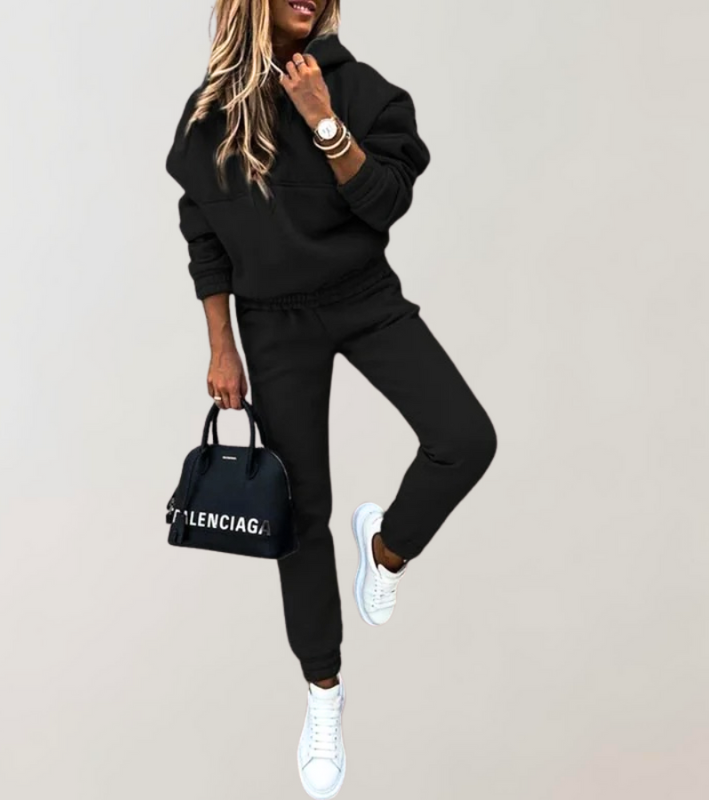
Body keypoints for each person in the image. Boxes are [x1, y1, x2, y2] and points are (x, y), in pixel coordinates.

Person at [166, 1, 497, 796]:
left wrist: (323, 120)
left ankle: (385, 549)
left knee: (464, 439)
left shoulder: (360, 90)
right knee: (300, 510)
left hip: (363, 298)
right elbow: (203, 235)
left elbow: (386, 202)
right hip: (273, 323)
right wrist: (221, 344)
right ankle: (323, 691)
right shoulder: (212, 111)